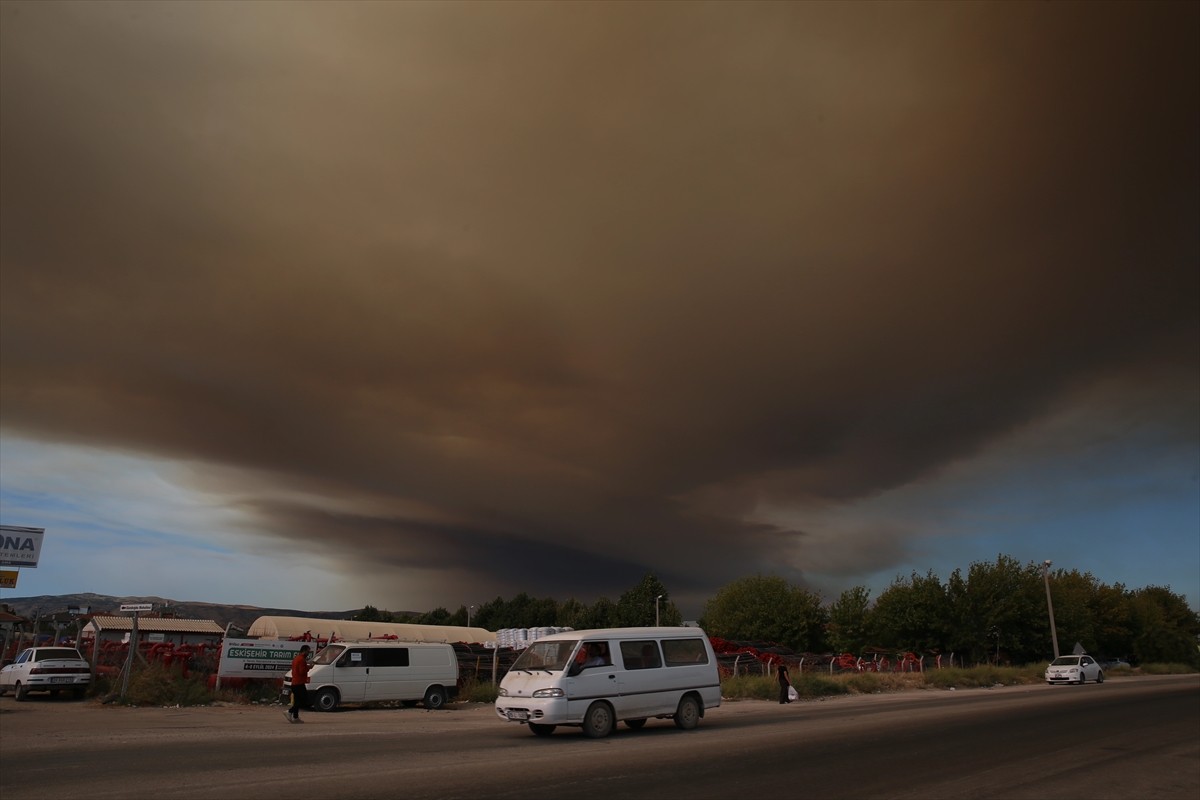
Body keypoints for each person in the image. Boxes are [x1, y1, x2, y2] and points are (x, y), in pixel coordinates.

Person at [286, 644, 311, 723]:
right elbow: (301, 671)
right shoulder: (301, 660)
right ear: (304, 651)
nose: (308, 653)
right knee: (304, 700)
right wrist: (309, 668)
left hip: (295, 683)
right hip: (299, 683)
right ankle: (290, 711)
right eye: (308, 651)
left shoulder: (296, 658)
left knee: (297, 700)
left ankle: (295, 717)